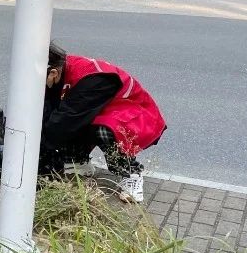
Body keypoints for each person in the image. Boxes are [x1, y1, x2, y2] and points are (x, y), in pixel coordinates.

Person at [42, 43, 167, 203]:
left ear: (53, 73)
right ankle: (79, 161)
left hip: (138, 116)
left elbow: (63, 122)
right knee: (69, 116)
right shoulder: (63, 69)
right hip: (107, 111)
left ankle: (131, 174)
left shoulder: (92, 79)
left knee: (99, 128)